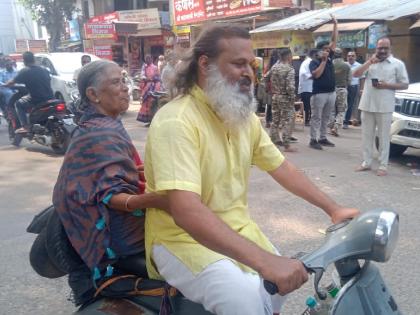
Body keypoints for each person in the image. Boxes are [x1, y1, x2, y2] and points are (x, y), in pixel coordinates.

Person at [144, 24, 359, 315]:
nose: (249, 73)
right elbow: (186, 211)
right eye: (238, 63)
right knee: (246, 300)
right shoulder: (177, 121)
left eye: (252, 64)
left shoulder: (242, 117)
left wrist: (333, 209)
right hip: (180, 239)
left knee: (281, 285)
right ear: (205, 65)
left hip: (236, 228)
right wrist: (264, 262)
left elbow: (281, 167)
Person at [52, 60, 169, 306]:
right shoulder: (98, 132)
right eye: (116, 82)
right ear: (93, 94)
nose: (126, 88)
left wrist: (139, 173)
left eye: (124, 80)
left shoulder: (105, 123)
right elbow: (109, 196)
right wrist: (161, 200)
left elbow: (111, 174)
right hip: (115, 239)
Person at [353, 37, 409, 176]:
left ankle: (383, 166)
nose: (382, 50)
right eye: (380, 48)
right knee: (367, 136)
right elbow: (356, 74)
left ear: (390, 49)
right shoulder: (370, 63)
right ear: (376, 49)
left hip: (385, 106)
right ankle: (366, 162)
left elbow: (405, 84)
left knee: (384, 137)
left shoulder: (397, 64)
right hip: (367, 104)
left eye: (385, 48)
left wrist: (386, 85)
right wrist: (369, 62)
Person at [5, 51, 54, 133]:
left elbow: (12, 82)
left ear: (24, 61)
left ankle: (25, 126)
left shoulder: (25, 71)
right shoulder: (44, 70)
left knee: (19, 104)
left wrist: (6, 84)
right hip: (51, 97)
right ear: (34, 59)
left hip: (36, 99)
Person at [308, 16, 338, 150]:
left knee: (326, 117)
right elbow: (317, 75)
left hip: (331, 92)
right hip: (319, 94)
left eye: (328, 49)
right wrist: (324, 61)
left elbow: (334, 40)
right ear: (319, 51)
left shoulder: (330, 57)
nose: (328, 50)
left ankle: (323, 137)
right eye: (325, 49)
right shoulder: (314, 62)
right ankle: (313, 139)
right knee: (316, 117)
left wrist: (335, 25)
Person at [265, 48, 297, 152]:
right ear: (288, 56)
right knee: (287, 120)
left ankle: (274, 140)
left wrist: (269, 88)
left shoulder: (274, 67)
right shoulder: (289, 69)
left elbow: (265, 77)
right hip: (285, 97)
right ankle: (287, 144)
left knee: (275, 120)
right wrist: (292, 97)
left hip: (275, 96)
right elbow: (290, 87)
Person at [329, 48, 352, 137]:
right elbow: (349, 80)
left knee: (332, 110)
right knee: (341, 110)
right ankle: (336, 127)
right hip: (342, 89)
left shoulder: (330, 64)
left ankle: (331, 127)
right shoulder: (346, 65)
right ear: (342, 55)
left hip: (331, 89)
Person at [136, 55, 160, 125]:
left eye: (149, 59)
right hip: (146, 89)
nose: (147, 60)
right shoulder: (144, 67)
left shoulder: (155, 68)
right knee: (145, 105)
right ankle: (148, 121)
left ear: (151, 59)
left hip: (153, 89)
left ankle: (152, 121)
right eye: (146, 59)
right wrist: (145, 80)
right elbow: (142, 77)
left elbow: (158, 78)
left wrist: (152, 83)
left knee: (151, 105)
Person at [298, 49, 318, 126]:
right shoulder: (308, 62)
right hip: (307, 88)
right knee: (308, 106)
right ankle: (307, 121)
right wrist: (313, 77)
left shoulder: (307, 62)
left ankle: (307, 120)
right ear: (314, 55)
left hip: (307, 87)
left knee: (308, 105)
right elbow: (304, 73)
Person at [343, 50, 362, 129]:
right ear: (347, 57)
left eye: (352, 56)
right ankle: (338, 121)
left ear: (355, 57)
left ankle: (346, 122)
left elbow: (362, 78)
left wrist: (361, 89)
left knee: (350, 105)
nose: (350, 57)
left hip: (353, 87)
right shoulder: (343, 65)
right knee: (341, 104)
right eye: (349, 56)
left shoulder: (359, 66)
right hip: (343, 87)